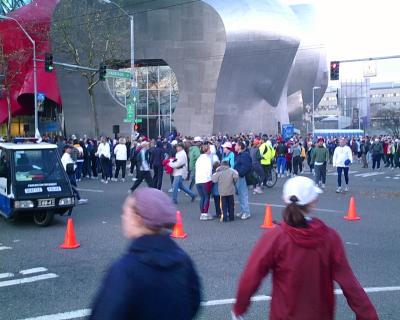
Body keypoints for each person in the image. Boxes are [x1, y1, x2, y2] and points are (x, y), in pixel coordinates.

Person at [232, 176, 378, 320]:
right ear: (313, 202)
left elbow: (251, 275)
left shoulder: (275, 237)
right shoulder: (329, 238)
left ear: (285, 199)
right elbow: (350, 284)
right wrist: (367, 314)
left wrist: (239, 309)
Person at [90, 188, 201, 320]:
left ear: (137, 219)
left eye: (126, 213)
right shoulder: (183, 260)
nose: (123, 217)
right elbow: (194, 301)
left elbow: (105, 313)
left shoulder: (125, 270)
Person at [234, 141, 252, 220]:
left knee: (243, 194)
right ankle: (243, 210)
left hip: (242, 177)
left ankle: (246, 212)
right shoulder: (240, 155)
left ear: (240, 147)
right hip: (239, 176)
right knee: (240, 195)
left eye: (236, 145)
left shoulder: (245, 155)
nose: (234, 147)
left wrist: (240, 174)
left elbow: (247, 166)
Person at [195, 144, 213, 221]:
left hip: (198, 180)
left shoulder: (198, 159)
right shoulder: (208, 159)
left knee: (202, 197)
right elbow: (209, 170)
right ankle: (205, 213)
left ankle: (202, 212)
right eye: (209, 149)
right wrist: (211, 179)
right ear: (207, 150)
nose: (210, 151)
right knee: (207, 197)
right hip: (205, 180)